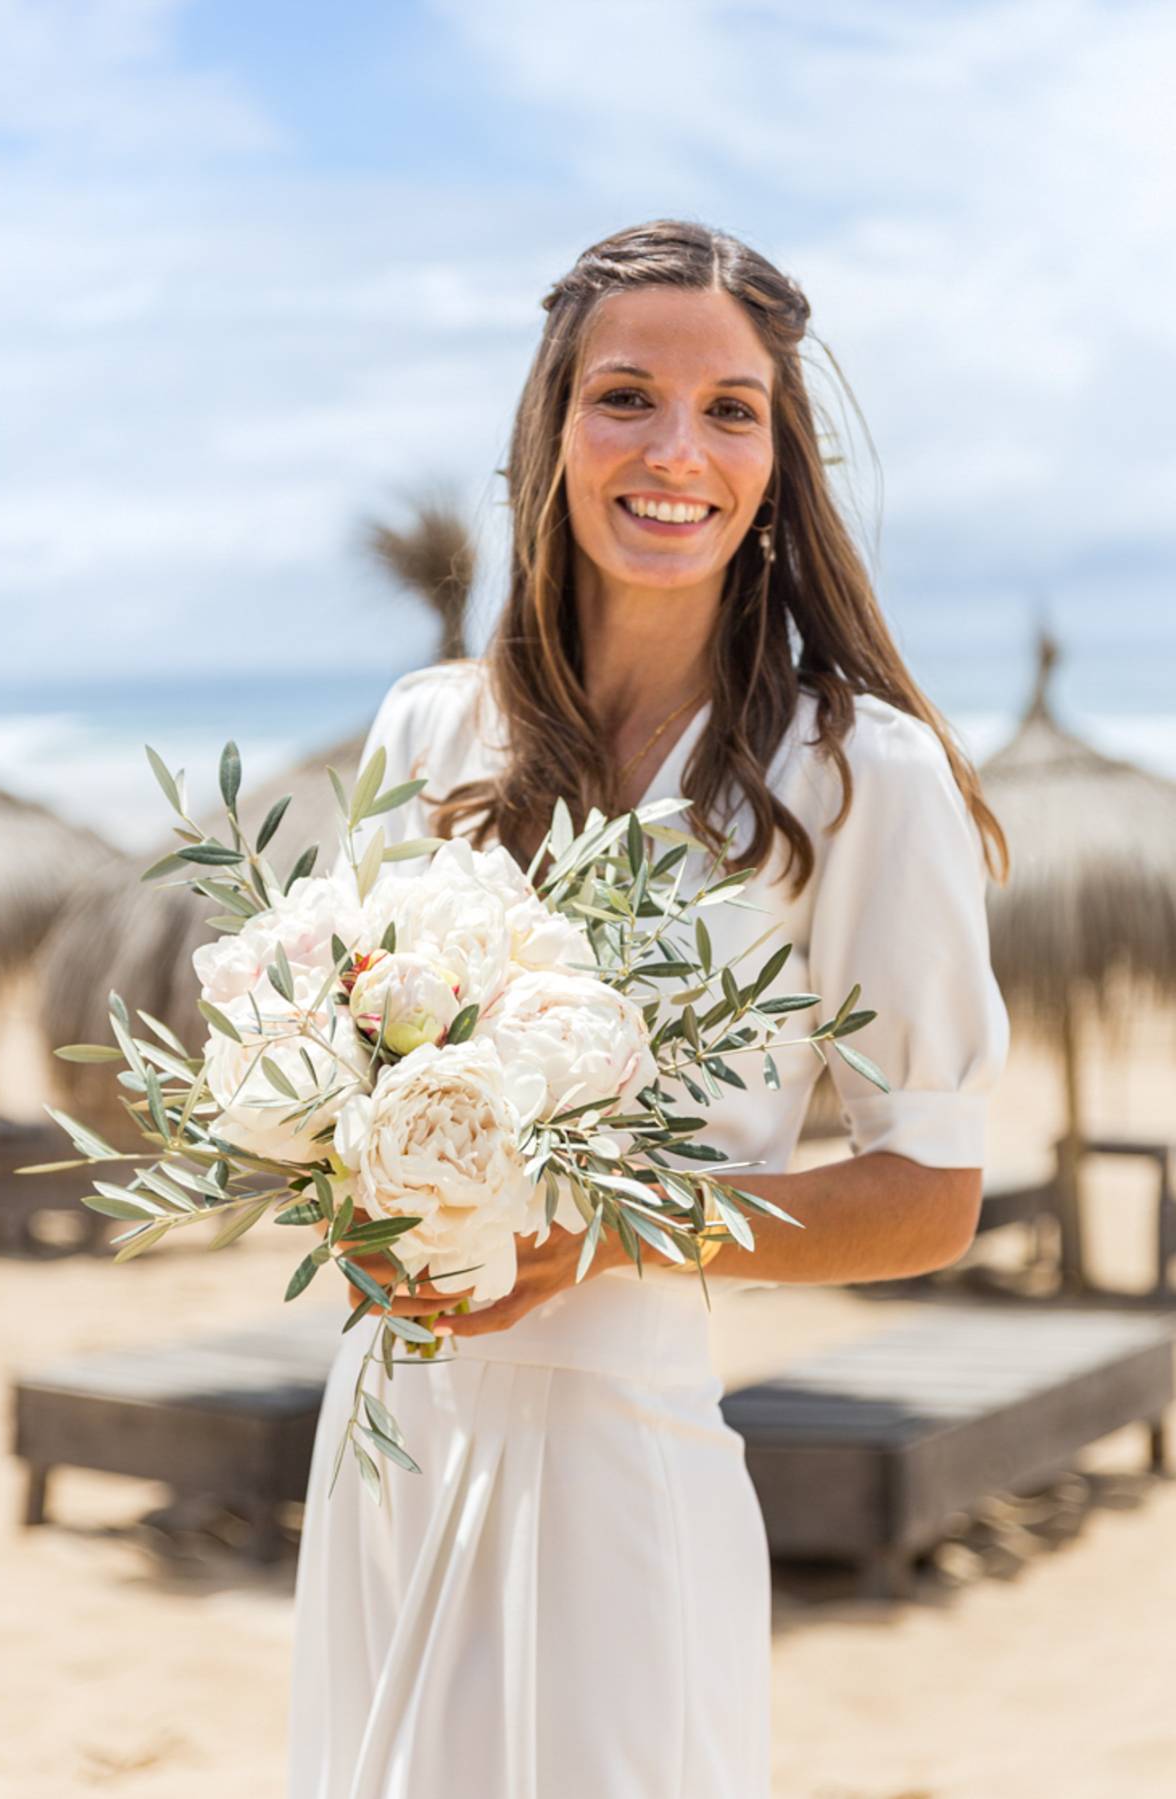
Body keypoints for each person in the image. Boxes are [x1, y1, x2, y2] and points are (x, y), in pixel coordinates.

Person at [286, 218, 1011, 1798]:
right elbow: (343, 1076)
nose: (676, 448)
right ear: (550, 431)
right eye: (625, 397)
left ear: (776, 457)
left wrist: (608, 1230)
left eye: (730, 408)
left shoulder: (857, 774)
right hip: (389, 1436)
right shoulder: (426, 733)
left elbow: (931, 1196)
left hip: (618, 1453)